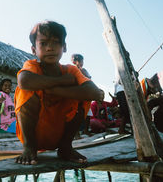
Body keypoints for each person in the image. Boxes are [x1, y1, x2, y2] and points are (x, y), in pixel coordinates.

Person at [14, 20, 104, 165]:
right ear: (33, 49)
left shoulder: (71, 70)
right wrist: (63, 81)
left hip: (60, 135)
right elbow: (23, 81)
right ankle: (29, 148)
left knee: (84, 96)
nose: (50, 48)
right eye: (43, 43)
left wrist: (53, 90)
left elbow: (93, 93)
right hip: (34, 136)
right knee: (24, 91)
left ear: (64, 47)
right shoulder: (32, 66)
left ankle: (65, 147)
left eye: (56, 42)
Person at [71, 53, 92, 135]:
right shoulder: (72, 70)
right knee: (77, 114)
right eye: (80, 61)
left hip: (85, 93)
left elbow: (89, 79)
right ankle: (76, 134)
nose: (81, 63)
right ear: (75, 62)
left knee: (88, 113)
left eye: (82, 61)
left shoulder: (83, 70)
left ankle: (86, 130)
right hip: (77, 94)